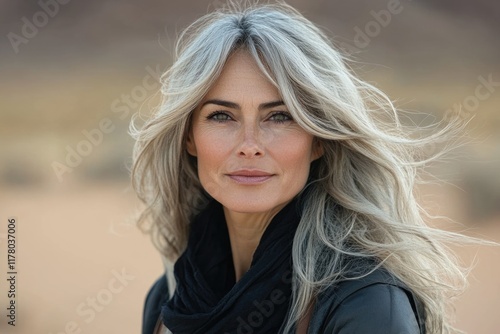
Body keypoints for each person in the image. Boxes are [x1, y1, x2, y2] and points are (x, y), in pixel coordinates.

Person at [131, 2, 468, 333]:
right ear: (189, 137)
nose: (250, 145)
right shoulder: (170, 298)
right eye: (222, 115)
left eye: (280, 116)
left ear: (318, 139)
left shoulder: (368, 304)